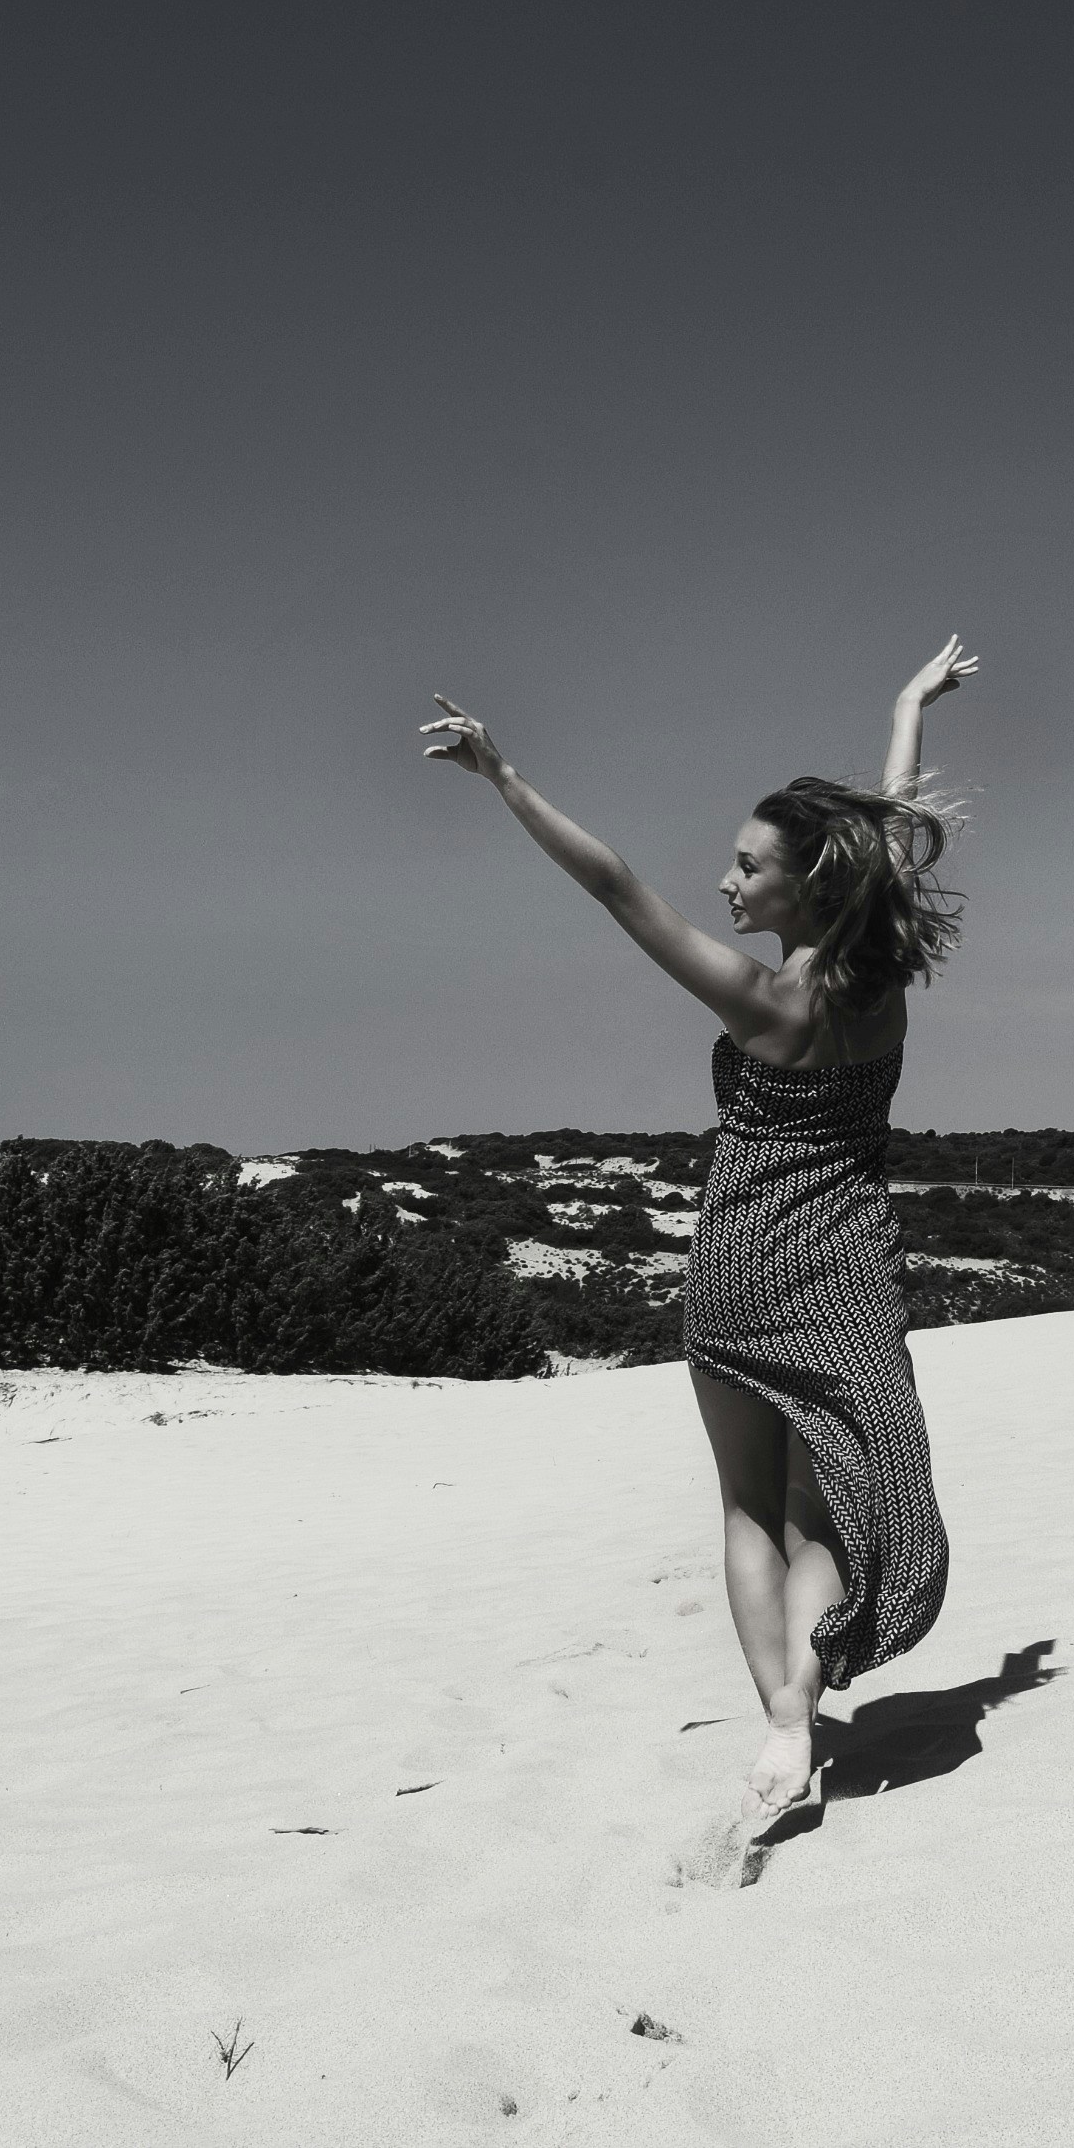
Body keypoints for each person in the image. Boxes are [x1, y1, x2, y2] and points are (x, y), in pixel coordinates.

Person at [421, 640, 976, 1828]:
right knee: (816, 1510)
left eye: (745, 867)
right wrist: (906, 705)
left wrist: (503, 777)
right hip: (848, 1265)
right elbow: (886, 835)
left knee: (743, 1507)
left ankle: (783, 1721)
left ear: (805, 890)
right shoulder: (879, 984)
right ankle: (800, 1701)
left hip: (741, 1261)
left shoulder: (759, 996)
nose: (725, 882)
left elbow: (616, 885)